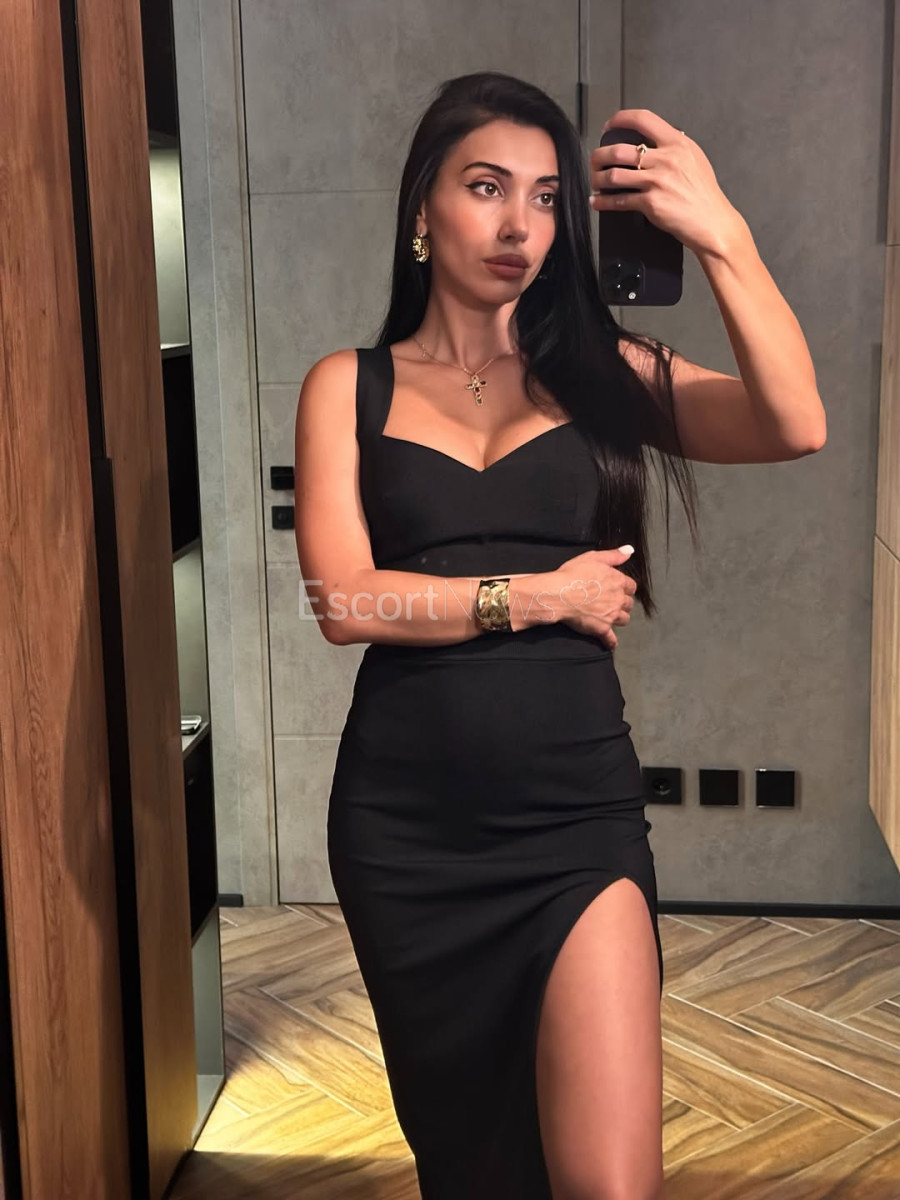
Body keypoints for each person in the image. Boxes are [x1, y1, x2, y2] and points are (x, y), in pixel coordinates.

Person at [294, 70, 824, 1200]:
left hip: (575, 820)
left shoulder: (604, 373)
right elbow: (344, 603)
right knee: (471, 1172)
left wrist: (720, 234)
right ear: (423, 208)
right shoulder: (348, 387)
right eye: (487, 187)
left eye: (544, 197)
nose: (519, 225)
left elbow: (794, 423)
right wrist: (535, 596)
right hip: (408, 832)